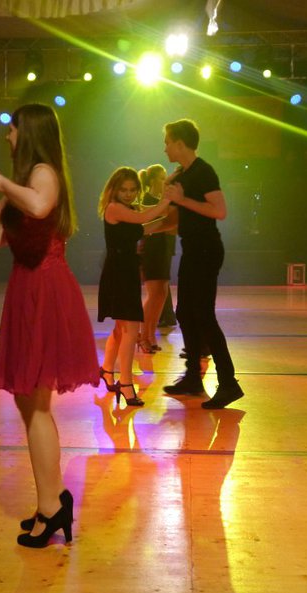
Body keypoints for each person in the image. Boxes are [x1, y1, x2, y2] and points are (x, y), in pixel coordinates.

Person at [0, 103, 99, 548]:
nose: (7, 136)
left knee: (37, 405)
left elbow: (40, 206)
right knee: (30, 404)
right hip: (29, 288)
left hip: (44, 288)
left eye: (13, 129)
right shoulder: (23, 182)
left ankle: (50, 506)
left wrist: (0, 184)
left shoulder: (43, 173)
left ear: (29, 132)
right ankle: (52, 497)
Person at [159, 119, 244, 409]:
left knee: (204, 315)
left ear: (180, 143)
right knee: (184, 311)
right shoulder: (182, 175)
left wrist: (182, 199)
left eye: (168, 142)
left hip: (206, 250)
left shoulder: (203, 171)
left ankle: (228, 383)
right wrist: (143, 229)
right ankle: (193, 377)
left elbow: (219, 211)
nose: (165, 148)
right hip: (192, 249)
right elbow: (173, 219)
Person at [97, 167, 170, 407]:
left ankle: (107, 370)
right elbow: (143, 219)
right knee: (130, 329)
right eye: (124, 190)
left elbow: (145, 228)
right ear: (114, 190)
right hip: (118, 272)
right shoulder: (114, 208)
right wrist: (166, 201)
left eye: (132, 190)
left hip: (125, 271)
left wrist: (170, 219)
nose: (128, 194)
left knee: (121, 329)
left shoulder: (127, 211)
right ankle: (126, 383)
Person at [137, 164, 177, 351]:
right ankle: (144, 336)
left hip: (164, 249)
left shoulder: (163, 201)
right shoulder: (148, 200)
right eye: (162, 178)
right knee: (154, 294)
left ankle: (150, 334)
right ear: (153, 180)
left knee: (161, 293)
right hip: (152, 250)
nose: (165, 181)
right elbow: (161, 217)